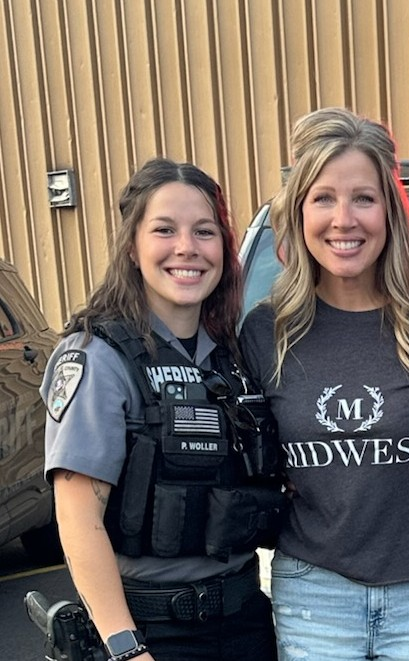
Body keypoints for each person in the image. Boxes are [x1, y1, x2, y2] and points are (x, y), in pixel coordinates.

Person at [239, 107, 409, 661]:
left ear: (389, 212)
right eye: (323, 197)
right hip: (313, 594)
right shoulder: (265, 332)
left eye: (363, 198)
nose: (343, 219)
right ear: (298, 214)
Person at [41, 158, 280, 660]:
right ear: (132, 246)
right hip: (152, 634)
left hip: (245, 622)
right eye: (164, 230)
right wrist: (126, 647)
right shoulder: (99, 356)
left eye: (205, 231)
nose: (187, 248)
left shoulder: (234, 354)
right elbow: (79, 518)